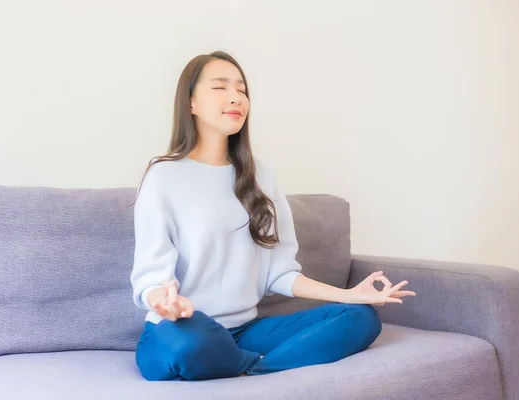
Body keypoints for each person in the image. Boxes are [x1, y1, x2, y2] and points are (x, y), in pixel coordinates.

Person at [130, 50, 416, 381]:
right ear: (191, 103)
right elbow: (150, 276)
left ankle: (252, 367)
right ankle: (249, 361)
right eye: (220, 87)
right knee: (192, 347)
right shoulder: (163, 176)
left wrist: (350, 295)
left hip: (246, 330)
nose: (235, 97)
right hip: (181, 328)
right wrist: (166, 303)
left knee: (361, 319)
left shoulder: (261, 177)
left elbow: (279, 273)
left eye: (242, 89)